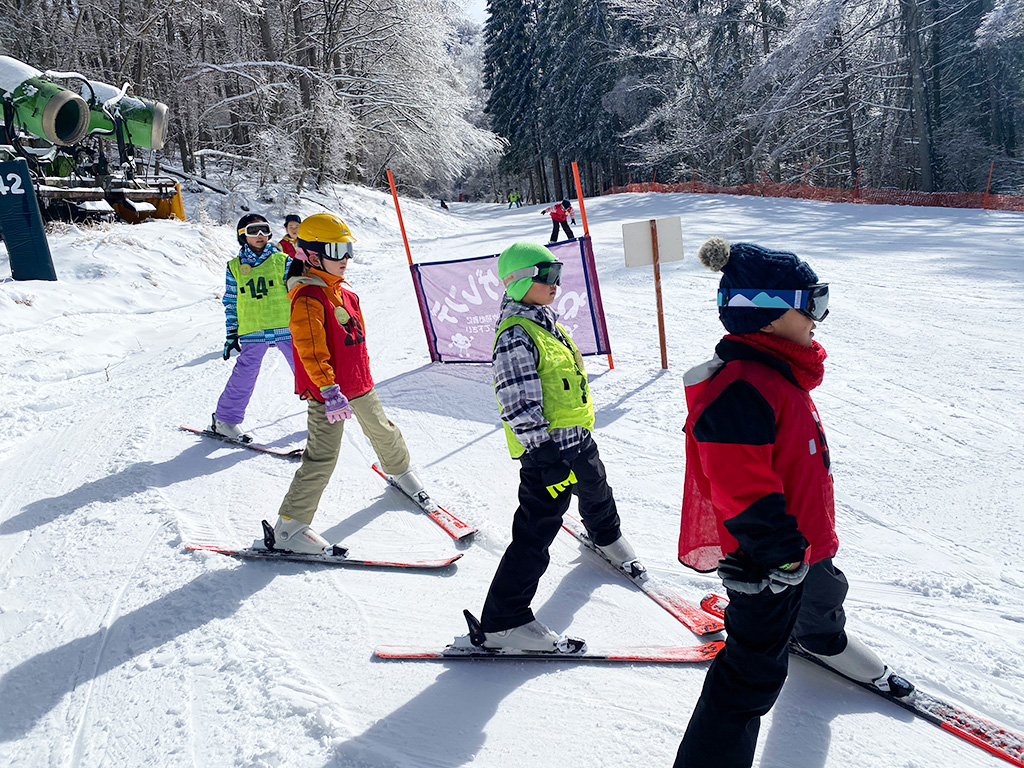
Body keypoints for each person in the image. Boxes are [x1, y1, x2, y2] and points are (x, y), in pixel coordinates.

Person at [673, 237, 912, 768]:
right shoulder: (743, 386)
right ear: (767, 314)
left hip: (800, 544)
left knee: (826, 587)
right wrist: (777, 550)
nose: (817, 321)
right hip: (768, 562)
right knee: (750, 678)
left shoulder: (775, 373)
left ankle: (820, 638)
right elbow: (738, 482)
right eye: (811, 305)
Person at [476, 241, 644, 651]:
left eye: (557, 274)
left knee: (597, 490)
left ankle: (605, 536)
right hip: (547, 453)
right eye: (546, 276)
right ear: (519, 283)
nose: (556, 283)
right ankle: (503, 620)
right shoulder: (516, 335)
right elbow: (517, 402)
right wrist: (543, 455)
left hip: (576, 437)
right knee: (537, 531)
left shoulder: (545, 321)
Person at [269, 212, 433, 553]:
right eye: (335, 249)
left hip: (358, 385)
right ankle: (289, 528)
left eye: (347, 249)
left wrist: (359, 379)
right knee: (323, 457)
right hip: (329, 395)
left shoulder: (344, 293)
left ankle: (400, 471)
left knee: (383, 431)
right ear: (313, 255)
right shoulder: (308, 297)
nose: (344, 258)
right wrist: (329, 391)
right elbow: (310, 349)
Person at [211, 214, 296, 442]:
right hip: (253, 330)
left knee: (306, 369)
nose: (260, 236)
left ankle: (322, 412)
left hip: (285, 328)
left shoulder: (283, 261)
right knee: (244, 375)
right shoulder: (235, 267)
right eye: (253, 230)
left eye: (264, 230)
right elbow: (231, 301)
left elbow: (300, 292)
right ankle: (225, 419)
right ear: (242, 236)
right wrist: (231, 333)